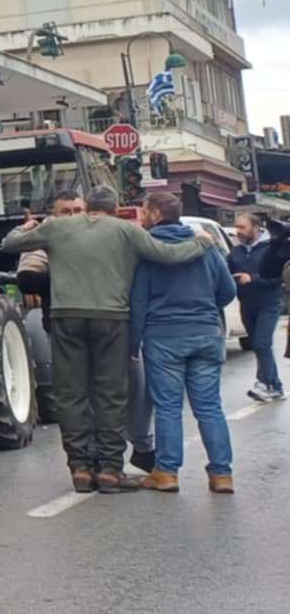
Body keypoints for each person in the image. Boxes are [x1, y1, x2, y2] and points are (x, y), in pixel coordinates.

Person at [2, 184, 212, 494]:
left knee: (71, 393)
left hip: (66, 317)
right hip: (112, 319)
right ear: (114, 209)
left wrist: (29, 224)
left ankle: (81, 470)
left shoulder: (57, 226)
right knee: (111, 392)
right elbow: (167, 254)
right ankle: (111, 470)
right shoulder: (126, 230)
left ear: (87, 207)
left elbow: (10, 243)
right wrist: (201, 244)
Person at [130, 191, 238, 494]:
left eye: (144, 211)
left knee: (167, 407)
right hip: (205, 333)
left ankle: (166, 472)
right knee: (209, 407)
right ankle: (221, 475)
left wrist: (132, 345)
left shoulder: (149, 251)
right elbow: (228, 290)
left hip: (163, 337)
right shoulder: (205, 247)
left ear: (154, 214)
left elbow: (138, 301)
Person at [228, 209, 289, 402]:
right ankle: (276, 386)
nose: (238, 231)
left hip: (269, 303)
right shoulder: (236, 251)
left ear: (256, 228)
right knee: (258, 346)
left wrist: (252, 279)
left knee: (262, 343)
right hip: (246, 304)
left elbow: (279, 277)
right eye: (237, 227)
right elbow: (225, 271)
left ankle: (263, 383)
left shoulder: (272, 248)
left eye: (242, 227)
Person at [8, 187, 84, 308]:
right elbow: (28, 277)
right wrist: (25, 228)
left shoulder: (99, 231)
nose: (72, 217)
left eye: (78, 210)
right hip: (59, 309)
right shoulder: (46, 233)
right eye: (65, 211)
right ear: (54, 213)